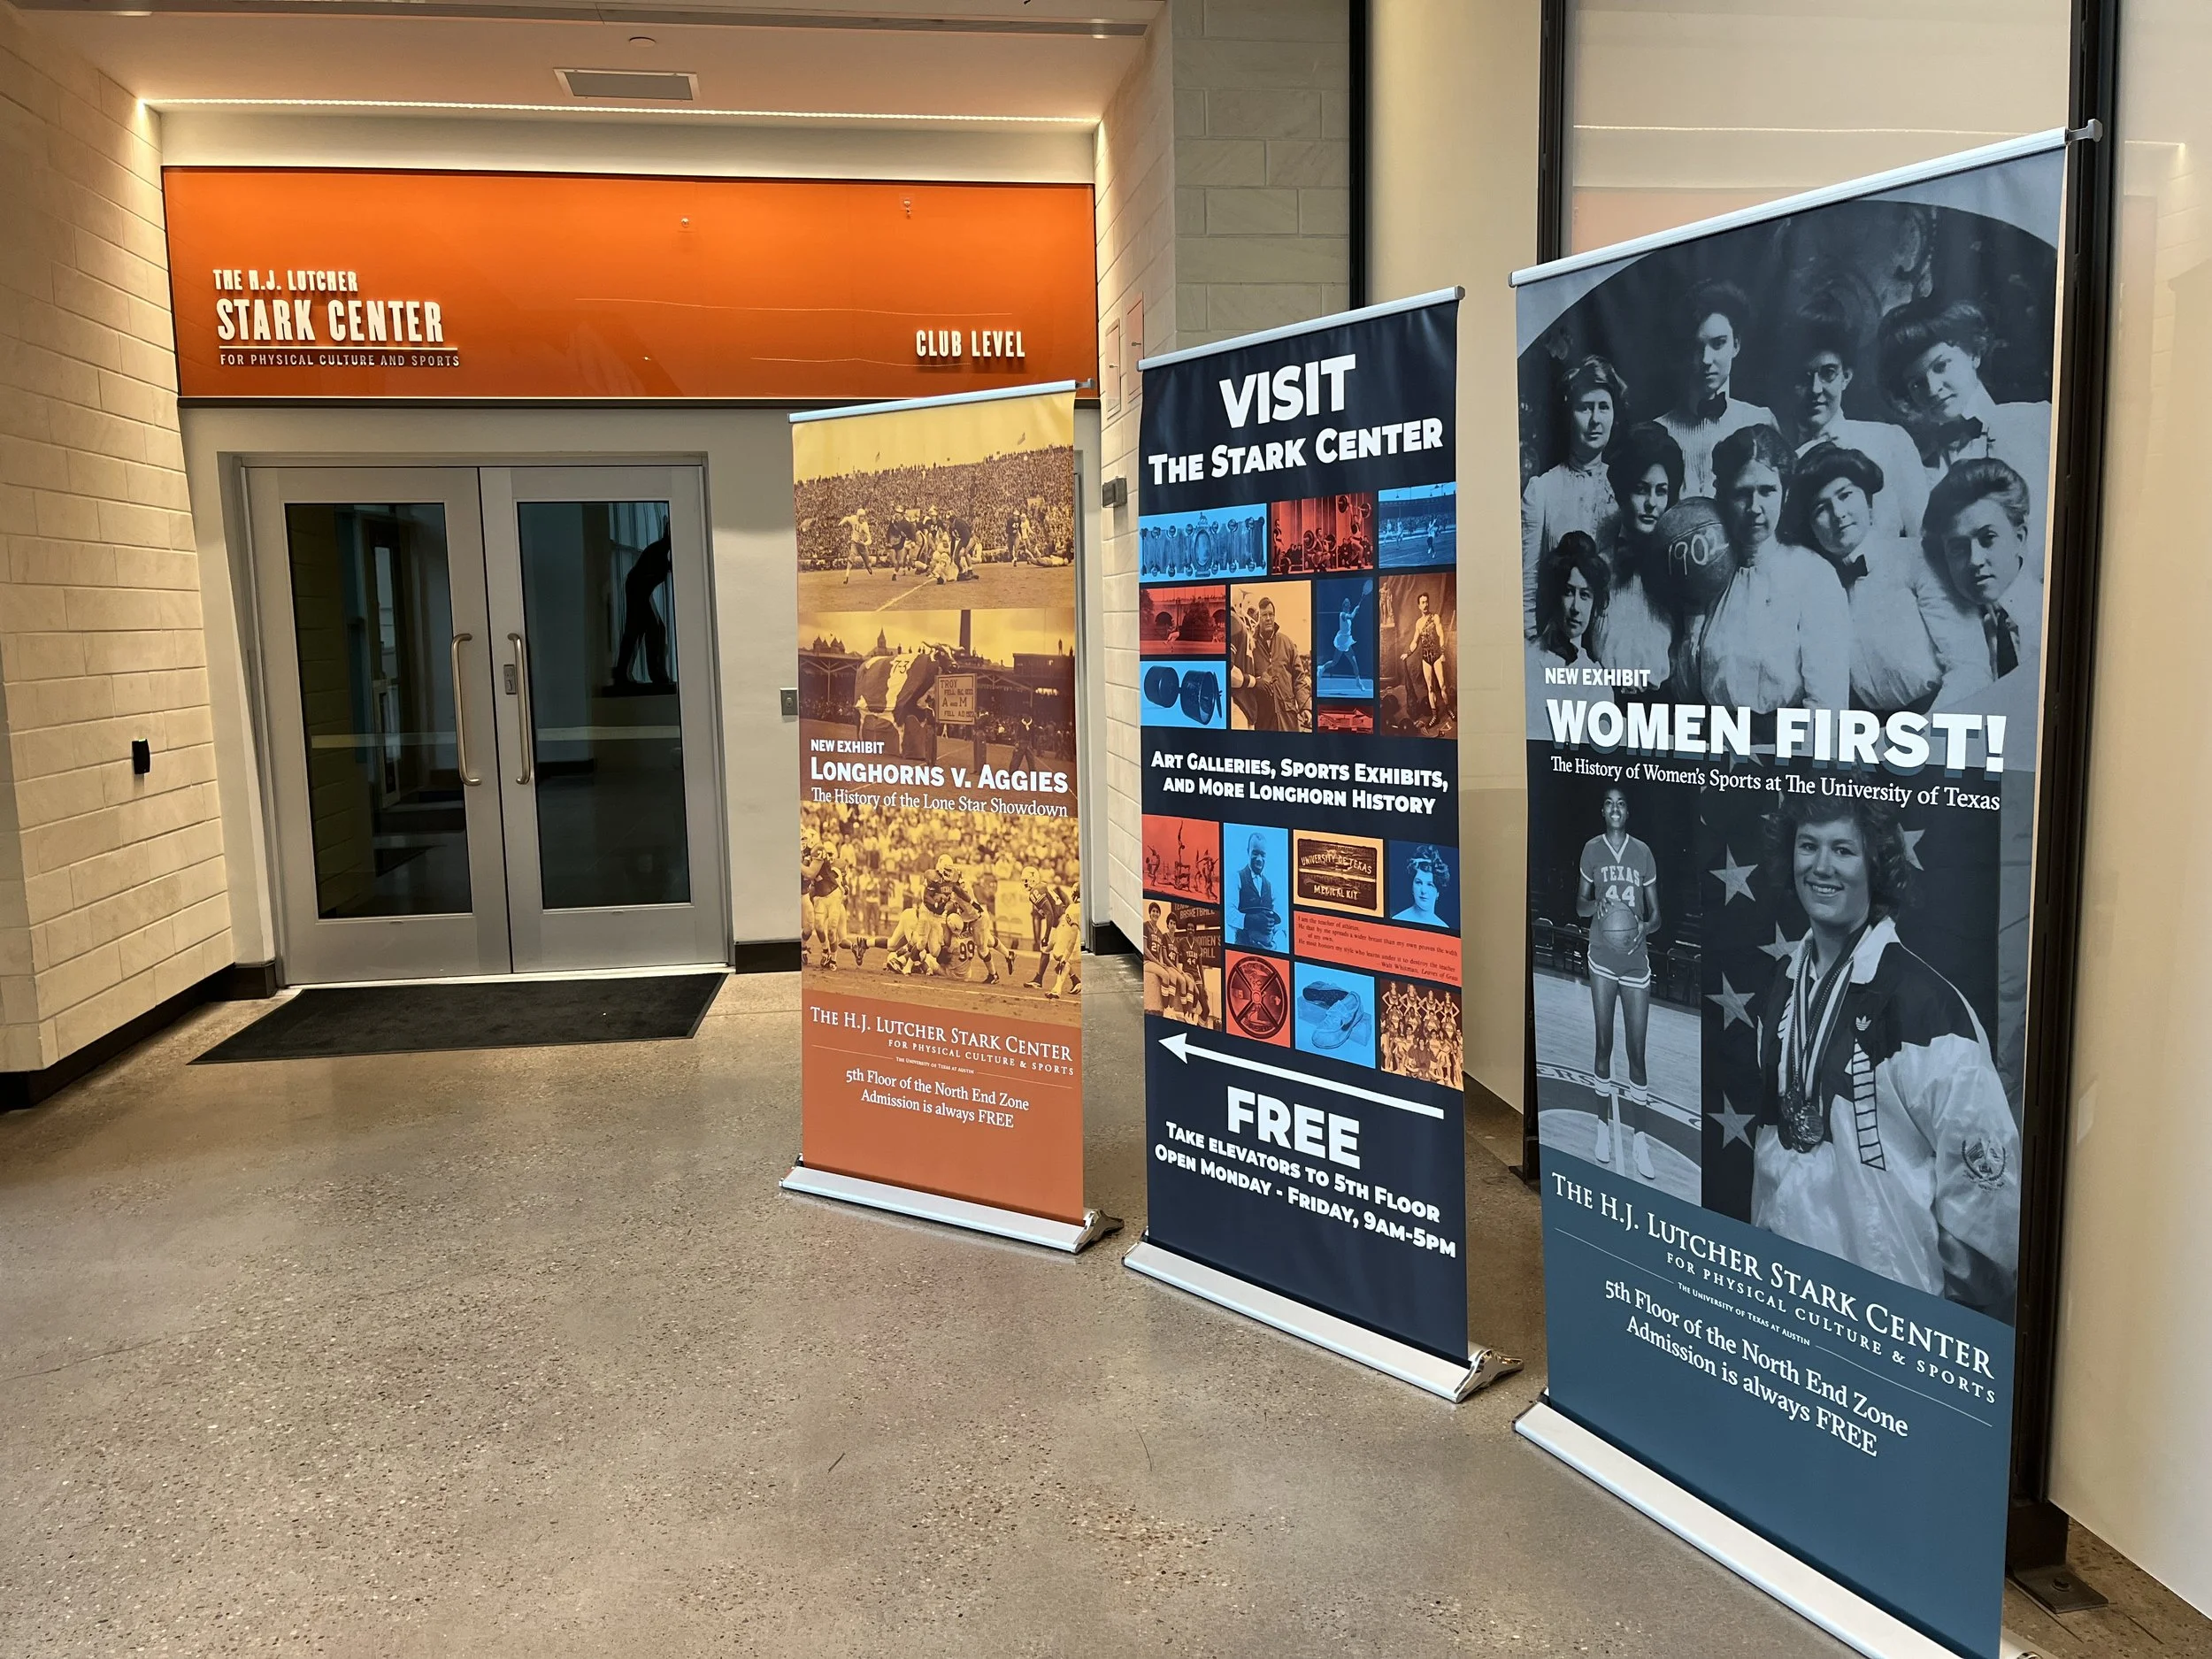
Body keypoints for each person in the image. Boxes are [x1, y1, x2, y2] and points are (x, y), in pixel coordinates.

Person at [1750, 796, 2020, 1315]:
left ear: (1875, 867)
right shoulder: (1782, 985)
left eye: (1843, 850)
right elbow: (1773, 1143)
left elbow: (1985, 1199)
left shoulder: (1929, 1009)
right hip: (1784, 1291)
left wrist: (1924, 1310)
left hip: (1884, 1318)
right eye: (1808, 846)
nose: (1821, 865)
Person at [1693, 426, 1850, 710]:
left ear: (1785, 493)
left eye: (1767, 491)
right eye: (1741, 493)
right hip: (1714, 745)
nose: (1754, 507)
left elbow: (1828, 703)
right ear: (1723, 496)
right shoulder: (1708, 574)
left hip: (1783, 748)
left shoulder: (1814, 576)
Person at [1782, 442, 1947, 714]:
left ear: (1868, 501)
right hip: (1870, 733)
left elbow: (1967, 665)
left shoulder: (1916, 557)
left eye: (1845, 496)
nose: (1838, 514)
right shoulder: (1816, 590)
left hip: (1941, 714)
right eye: (1820, 508)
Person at [1877, 298, 2052, 537]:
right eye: (1917, 384)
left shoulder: (2038, 421)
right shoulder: (1921, 474)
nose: (1933, 388)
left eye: (1941, 366)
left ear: (1973, 354)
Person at [1783, 299, 1928, 540]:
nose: (1815, 389)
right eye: (1803, 377)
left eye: (1828, 373)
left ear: (1846, 377)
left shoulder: (1890, 442)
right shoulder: (1787, 464)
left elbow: (1923, 539)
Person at [1577, 787, 1661, 1181]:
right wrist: (1598, 907)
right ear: (1601, 810)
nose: (1615, 808)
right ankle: (1602, 1129)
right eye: (1608, 802)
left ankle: (1639, 1138)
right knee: (1603, 1043)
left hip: (1635, 961)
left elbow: (1658, 915)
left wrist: (1645, 926)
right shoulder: (1591, 850)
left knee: (1637, 1052)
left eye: (1621, 803)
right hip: (1601, 957)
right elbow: (1579, 905)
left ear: (1628, 811)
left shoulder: (1642, 853)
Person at [1521, 355, 1626, 638]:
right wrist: (1532, 648)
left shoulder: (1627, 488)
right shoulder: (1542, 491)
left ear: (1615, 415)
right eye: (1585, 408)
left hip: (1618, 643)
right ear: (1569, 415)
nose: (1595, 420)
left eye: (1604, 407)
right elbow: (1527, 588)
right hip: (1560, 650)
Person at [1656, 279, 1778, 499]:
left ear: (1736, 345)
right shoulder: (1660, 432)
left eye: (1718, 343)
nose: (1706, 359)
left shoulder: (1761, 421)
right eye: (1696, 347)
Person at [1591, 423, 1683, 686]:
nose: (1652, 503)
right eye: (1641, 489)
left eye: (1661, 491)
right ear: (1621, 492)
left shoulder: (1680, 568)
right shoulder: (1599, 567)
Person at [1231, 595, 1307, 731]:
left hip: (1287, 718)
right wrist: (1258, 682)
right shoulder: (1251, 645)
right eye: (1264, 615)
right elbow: (1244, 679)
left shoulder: (1287, 643)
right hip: (1262, 718)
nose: (1268, 618)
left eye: (1271, 614)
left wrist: (1305, 706)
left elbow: (1299, 678)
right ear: (1259, 617)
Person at [1407, 589, 1452, 730]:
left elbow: (1441, 635)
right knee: (1430, 687)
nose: (1425, 605)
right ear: (1419, 606)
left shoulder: (1435, 618)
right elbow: (1415, 641)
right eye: (1422, 603)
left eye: (1427, 602)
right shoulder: (1418, 623)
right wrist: (1407, 653)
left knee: (1442, 685)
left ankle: (1449, 709)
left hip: (1437, 656)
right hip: (1425, 658)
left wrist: (1443, 652)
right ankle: (1434, 715)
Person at [1233, 833, 1282, 951]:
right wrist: (1252, 920)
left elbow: (1281, 925)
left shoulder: (1271, 887)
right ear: (1248, 851)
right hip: (1243, 949)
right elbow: (1229, 914)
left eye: (1263, 855)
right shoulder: (1236, 878)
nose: (1259, 859)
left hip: (1267, 952)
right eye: (1255, 853)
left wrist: (1274, 944)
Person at [1392, 846, 1451, 928]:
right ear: (1412, 887)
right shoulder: (1397, 920)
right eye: (1419, 883)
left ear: (1438, 892)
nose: (1423, 890)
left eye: (1430, 884)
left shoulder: (1443, 927)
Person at [838, 504, 874, 581]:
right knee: (851, 557)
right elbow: (847, 518)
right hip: (854, 542)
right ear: (858, 516)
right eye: (861, 517)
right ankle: (847, 576)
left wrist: (865, 544)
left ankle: (868, 568)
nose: (863, 518)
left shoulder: (865, 525)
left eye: (864, 516)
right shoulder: (854, 519)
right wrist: (842, 522)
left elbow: (870, 539)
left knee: (867, 563)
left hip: (862, 545)